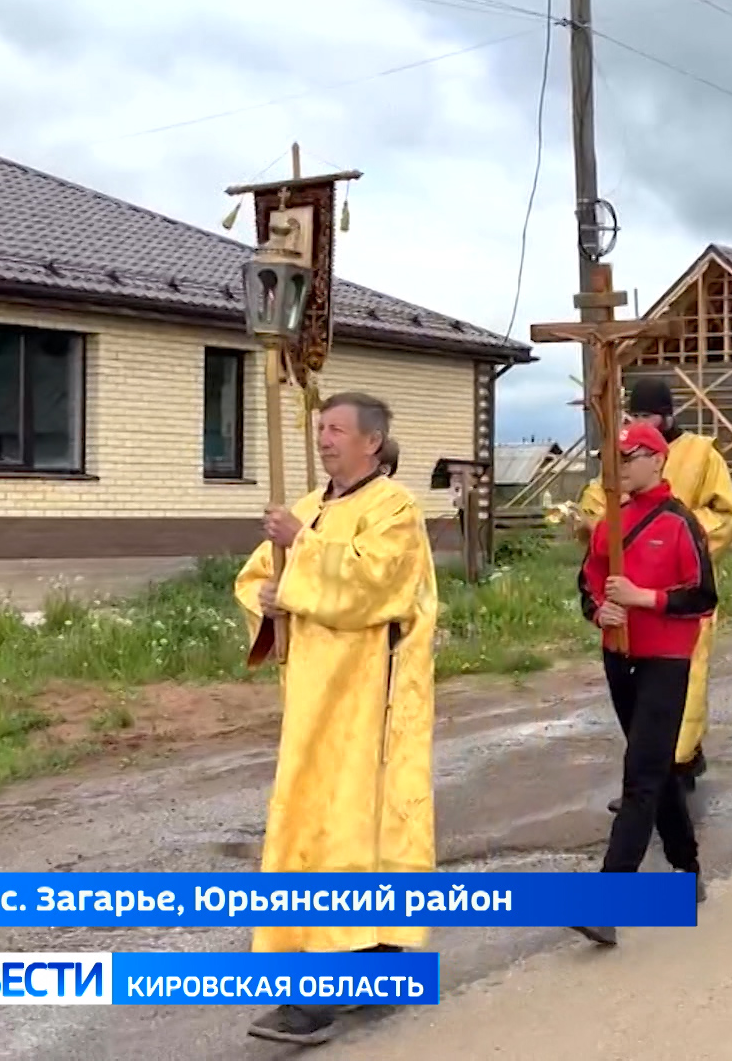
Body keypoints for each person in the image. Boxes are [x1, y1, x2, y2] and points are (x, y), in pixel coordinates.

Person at [234, 393, 439, 1046]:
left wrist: (305, 552)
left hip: (366, 700)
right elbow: (259, 579)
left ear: (371, 443)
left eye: (336, 430)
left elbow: (378, 586)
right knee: (313, 827)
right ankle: (374, 960)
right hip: (310, 700)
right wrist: (269, 600)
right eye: (320, 428)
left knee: (348, 833)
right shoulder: (301, 508)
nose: (323, 439)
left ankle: (321, 984)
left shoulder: (395, 509)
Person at [570, 422, 718, 947]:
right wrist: (600, 610)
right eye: (614, 458)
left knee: (639, 775)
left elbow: (703, 597)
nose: (620, 466)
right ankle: (688, 867)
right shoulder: (611, 520)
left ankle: (608, 902)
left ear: (657, 460)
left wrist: (643, 598)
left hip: (666, 660)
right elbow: (587, 581)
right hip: (619, 655)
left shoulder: (681, 523)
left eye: (630, 456)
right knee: (655, 768)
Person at [577, 378, 732, 799]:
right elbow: (601, 500)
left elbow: (725, 512)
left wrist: (677, 536)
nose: (638, 422)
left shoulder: (703, 454)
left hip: (678, 586)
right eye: (633, 415)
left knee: (684, 678)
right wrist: (602, 527)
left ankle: (676, 765)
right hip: (626, 586)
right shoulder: (626, 454)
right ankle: (653, 775)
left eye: (647, 415)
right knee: (634, 686)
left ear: (668, 416)